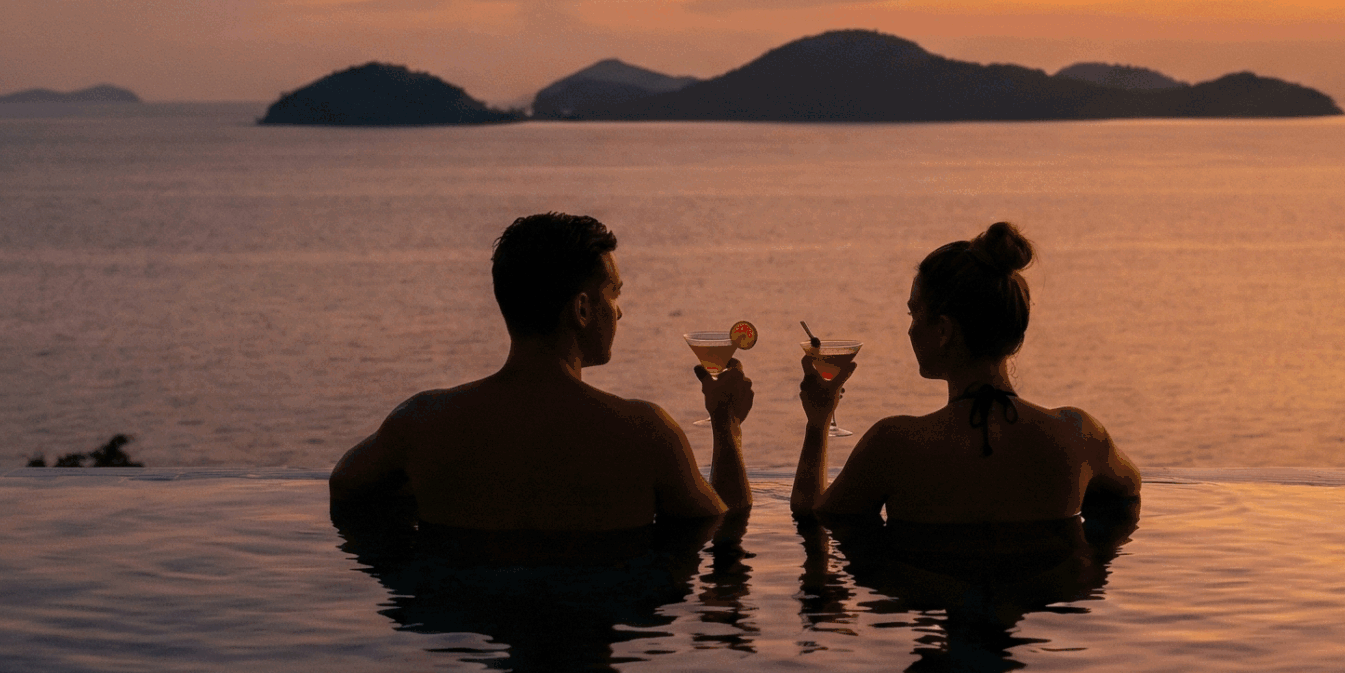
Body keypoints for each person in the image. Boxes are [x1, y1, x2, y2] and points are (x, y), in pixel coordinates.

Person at [329, 212, 753, 530]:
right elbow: (726, 531)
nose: (619, 312)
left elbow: (345, 487)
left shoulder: (420, 423)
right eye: (613, 294)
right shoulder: (646, 433)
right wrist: (726, 423)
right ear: (582, 309)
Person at [789, 221, 1140, 523]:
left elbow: (813, 515)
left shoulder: (893, 446)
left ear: (943, 330)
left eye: (914, 314)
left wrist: (818, 421)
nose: (910, 330)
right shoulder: (1080, 436)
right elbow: (1129, 490)